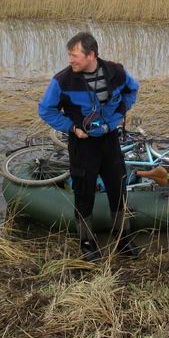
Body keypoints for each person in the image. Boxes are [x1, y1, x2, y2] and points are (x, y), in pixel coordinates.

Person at [38, 32, 140, 261]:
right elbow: (46, 110)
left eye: (74, 55)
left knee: (118, 187)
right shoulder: (62, 81)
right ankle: (87, 243)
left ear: (91, 55)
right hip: (82, 144)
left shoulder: (116, 72)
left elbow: (133, 90)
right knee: (84, 193)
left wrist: (120, 114)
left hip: (110, 141)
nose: (70, 60)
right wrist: (72, 127)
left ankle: (123, 239)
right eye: (69, 55)